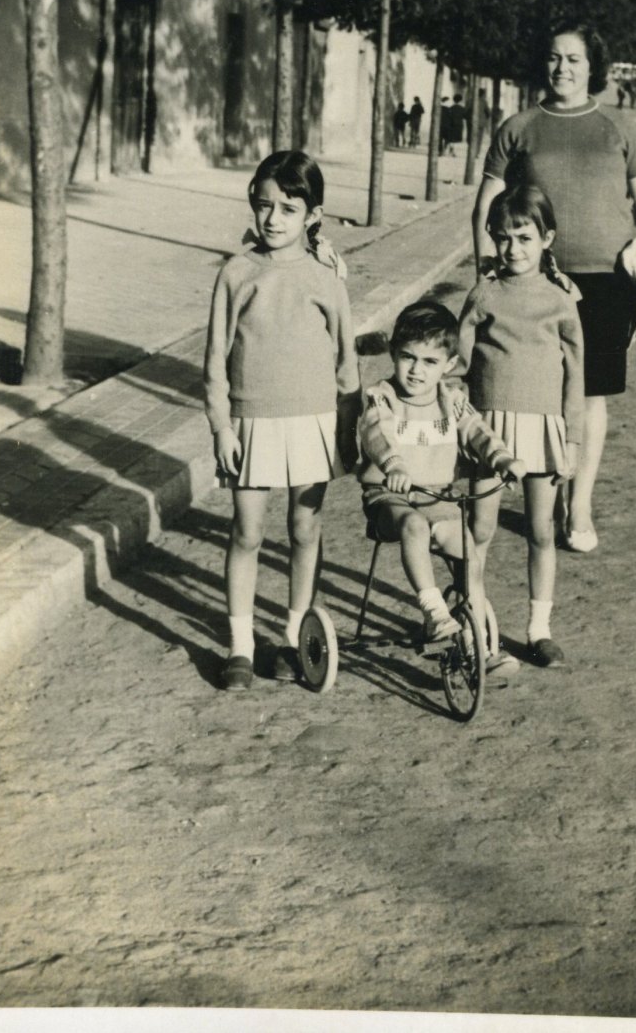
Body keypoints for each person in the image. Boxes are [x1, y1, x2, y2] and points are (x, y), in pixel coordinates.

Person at [472, 22, 636, 555]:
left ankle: (578, 503)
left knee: (591, 392)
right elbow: (487, 204)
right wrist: (485, 270)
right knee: (538, 389)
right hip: (536, 278)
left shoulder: (619, 128)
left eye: (575, 59)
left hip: (608, 280)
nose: (563, 68)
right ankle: (548, 489)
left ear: (592, 67)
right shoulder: (520, 126)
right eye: (555, 58)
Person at [204, 150, 361, 691]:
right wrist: (222, 426)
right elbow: (216, 360)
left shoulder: (326, 281)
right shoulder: (236, 273)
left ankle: (295, 635)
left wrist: (349, 427)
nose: (273, 219)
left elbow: (347, 364)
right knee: (247, 531)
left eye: (289, 208)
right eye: (265, 205)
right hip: (251, 422)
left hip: (312, 423)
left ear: (312, 216)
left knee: (303, 527)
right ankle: (241, 647)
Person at [358, 300, 527, 678]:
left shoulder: (450, 399)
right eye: (408, 358)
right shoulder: (381, 396)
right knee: (414, 526)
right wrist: (393, 465)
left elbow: (475, 430)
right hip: (390, 498)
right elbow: (376, 433)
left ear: (448, 365)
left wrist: (502, 458)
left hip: (438, 497)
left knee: (469, 557)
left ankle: (481, 648)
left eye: (429, 361)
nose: (416, 370)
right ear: (394, 355)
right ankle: (435, 613)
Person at [457, 184, 585, 668]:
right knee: (480, 528)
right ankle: (473, 622)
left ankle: (538, 629)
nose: (513, 249)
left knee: (541, 530)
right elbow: (460, 361)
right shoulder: (484, 294)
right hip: (491, 431)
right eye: (503, 238)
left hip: (544, 429)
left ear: (546, 238)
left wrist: (571, 440)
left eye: (524, 238)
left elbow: (576, 376)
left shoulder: (560, 301)